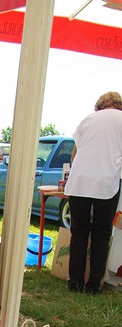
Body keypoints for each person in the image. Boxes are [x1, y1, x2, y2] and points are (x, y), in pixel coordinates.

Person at [65, 91, 122, 294]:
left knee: (79, 232)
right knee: (101, 233)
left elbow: (75, 154)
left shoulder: (88, 119)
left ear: (99, 106)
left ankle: (75, 282)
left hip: (79, 181)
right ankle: (94, 285)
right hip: (106, 181)